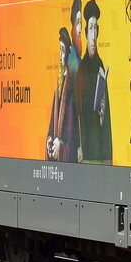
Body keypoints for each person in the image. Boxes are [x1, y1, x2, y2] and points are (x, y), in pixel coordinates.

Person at [75, 0, 111, 163]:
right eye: (90, 28)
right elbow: (77, 114)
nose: (94, 34)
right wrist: (79, 147)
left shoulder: (100, 66)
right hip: (86, 153)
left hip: (100, 151)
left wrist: (103, 115)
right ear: (86, 33)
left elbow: (105, 117)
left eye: (96, 28)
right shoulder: (81, 70)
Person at [47, 27, 78, 162]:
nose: (61, 55)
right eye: (60, 50)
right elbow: (52, 121)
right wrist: (50, 138)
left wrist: (61, 144)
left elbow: (71, 128)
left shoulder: (70, 84)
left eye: (63, 51)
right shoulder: (59, 82)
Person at [67, 0, 83, 80]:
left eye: (81, 22)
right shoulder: (72, 58)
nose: (80, 28)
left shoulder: (77, 54)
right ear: (73, 28)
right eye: (77, 22)